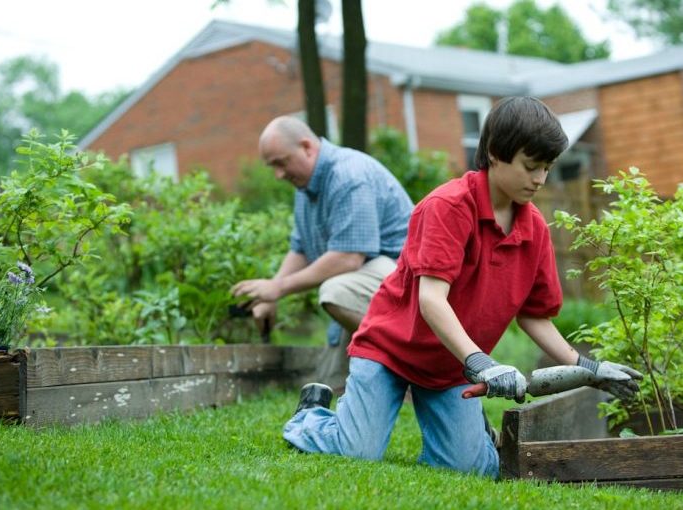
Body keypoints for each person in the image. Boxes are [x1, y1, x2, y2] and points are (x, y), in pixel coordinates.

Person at [282, 97, 643, 478]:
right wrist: (483, 364)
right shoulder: (447, 207)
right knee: (356, 452)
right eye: (530, 166)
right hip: (390, 351)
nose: (540, 179)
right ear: (494, 154)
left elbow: (534, 317)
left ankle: (472, 437)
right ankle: (312, 416)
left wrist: (590, 368)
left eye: (547, 168)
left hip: (452, 366)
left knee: (470, 469)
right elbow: (431, 300)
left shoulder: (534, 229)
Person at [231, 116, 414, 390]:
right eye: (272, 167)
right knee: (329, 385)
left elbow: (348, 258)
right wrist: (269, 295)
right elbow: (301, 248)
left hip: (406, 284)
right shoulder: (305, 187)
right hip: (367, 284)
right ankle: (383, 379)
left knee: (336, 291)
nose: (278, 175)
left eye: (281, 163)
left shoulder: (348, 176)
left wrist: (279, 287)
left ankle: (413, 369)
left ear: (307, 147)